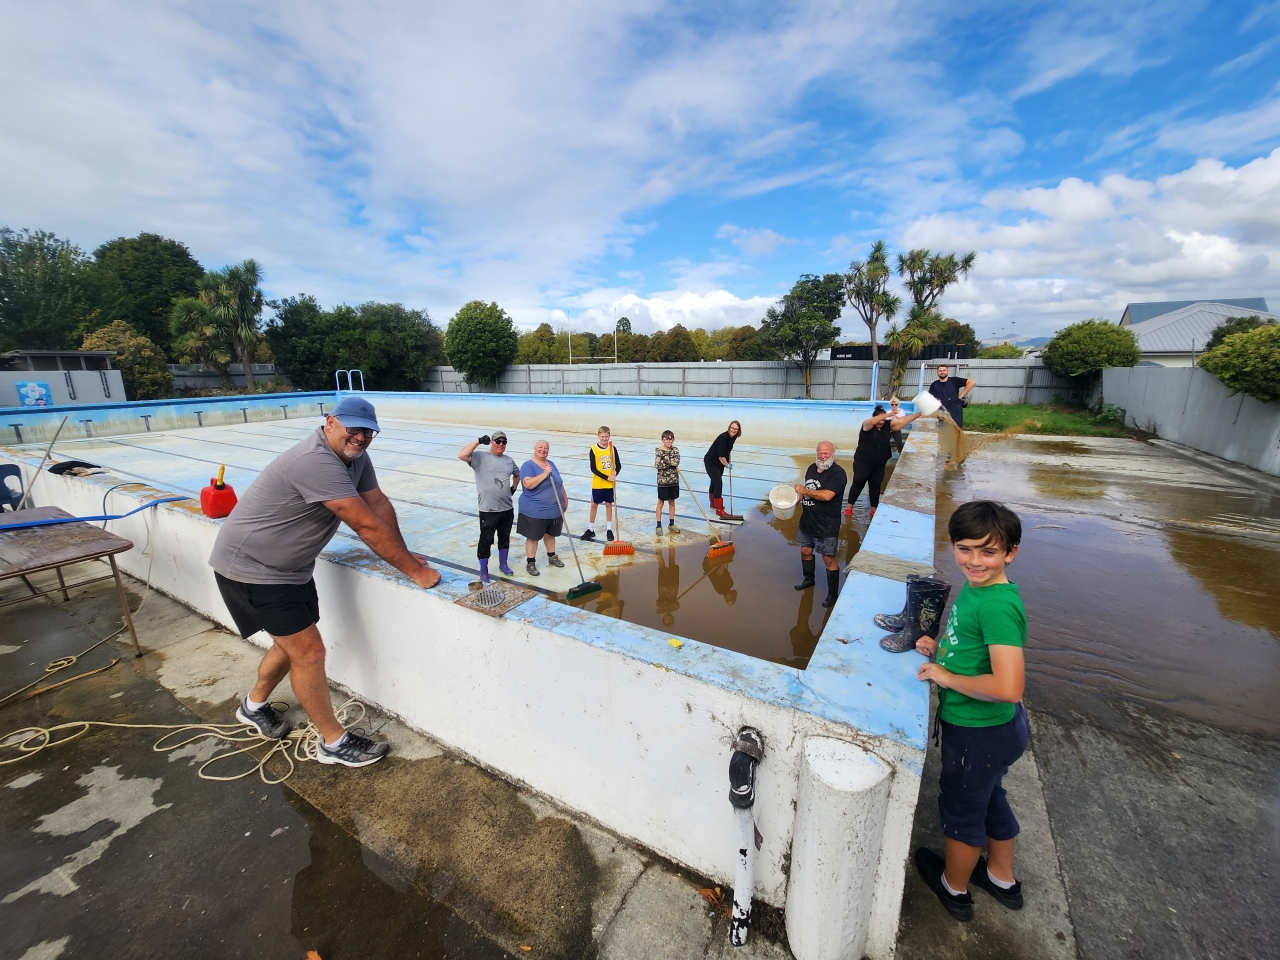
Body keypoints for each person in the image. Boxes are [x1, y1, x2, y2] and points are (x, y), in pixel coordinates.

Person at [210, 395, 440, 768]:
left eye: (369, 432)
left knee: (291, 647)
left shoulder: (355, 457)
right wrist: (415, 572)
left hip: (290, 569)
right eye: (354, 429)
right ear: (330, 422)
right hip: (253, 568)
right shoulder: (315, 461)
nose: (362, 437)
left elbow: (378, 505)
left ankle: (252, 707)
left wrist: (409, 554)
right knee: (309, 653)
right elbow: (363, 524)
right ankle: (333, 743)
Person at [913, 500, 1029, 923]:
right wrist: (939, 647)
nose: (975, 561)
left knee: (962, 809)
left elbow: (1009, 687)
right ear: (952, 545)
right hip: (999, 733)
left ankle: (954, 888)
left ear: (1010, 552)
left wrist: (946, 677)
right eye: (965, 549)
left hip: (978, 730)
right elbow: (971, 642)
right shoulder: (980, 587)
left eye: (988, 551)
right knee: (990, 796)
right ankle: (1001, 878)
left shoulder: (997, 605)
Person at [457, 430, 520, 584]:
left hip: (507, 509)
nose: (501, 445)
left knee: (504, 538)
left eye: (504, 442)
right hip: (488, 510)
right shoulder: (480, 457)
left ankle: (503, 564)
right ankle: (483, 570)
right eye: (498, 441)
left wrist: (513, 488)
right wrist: (478, 440)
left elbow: (517, 474)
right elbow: (462, 455)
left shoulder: (509, 460)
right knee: (485, 540)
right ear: (491, 442)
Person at [793, 440, 847, 609]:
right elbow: (806, 492)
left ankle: (832, 594)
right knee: (805, 551)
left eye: (826, 453)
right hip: (807, 521)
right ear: (816, 453)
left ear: (833, 454)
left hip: (827, 524)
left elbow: (826, 496)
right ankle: (809, 579)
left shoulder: (838, 473)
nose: (823, 456)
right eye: (820, 453)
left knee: (828, 558)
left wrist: (805, 491)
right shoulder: (810, 468)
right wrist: (794, 499)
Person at [844, 404, 923, 519]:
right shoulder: (867, 426)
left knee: (876, 485)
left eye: (883, 420)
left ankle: (873, 509)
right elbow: (871, 421)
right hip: (863, 461)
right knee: (859, 482)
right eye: (880, 420)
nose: (881, 422)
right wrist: (889, 414)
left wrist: (918, 414)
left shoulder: (887, 426)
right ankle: (849, 507)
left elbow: (902, 422)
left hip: (879, 462)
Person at [517, 440, 568, 576]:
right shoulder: (528, 465)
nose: (543, 450)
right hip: (535, 510)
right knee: (533, 537)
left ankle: (552, 556)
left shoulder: (551, 464)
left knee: (551, 534)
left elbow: (559, 483)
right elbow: (527, 484)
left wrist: (564, 498)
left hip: (553, 509)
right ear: (535, 449)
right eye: (540, 447)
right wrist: (544, 474)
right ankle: (531, 562)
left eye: (546, 448)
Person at [582, 426, 620, 542]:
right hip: (598, 483)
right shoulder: (593, 449)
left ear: (609, 436)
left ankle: (609, 529)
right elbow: (593, 468)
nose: (604, 439)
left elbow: (618, 465)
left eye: (606, 436)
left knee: (609, 504)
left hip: (610, 484)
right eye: (602, 436)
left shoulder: (613, 449)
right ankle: (590, 529)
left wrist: (615, 473)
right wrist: (606, 477)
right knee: (594, 505)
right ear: (598, 436)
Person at [704, 420, 742, 520]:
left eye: (736, 429)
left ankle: (713, 503)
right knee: (718, 484)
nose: (733, 430)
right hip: (711, 462)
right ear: (729, 427)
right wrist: (727, 465)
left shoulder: (733, 438)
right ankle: (719, 510)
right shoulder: (723, 437)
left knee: (714, 482)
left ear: (738, 431)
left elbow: (726, 451)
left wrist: (728, 460)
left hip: (719, 463)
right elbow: (721, 456)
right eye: (732, 428)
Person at [654, 430, 681, 535]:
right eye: (666, 439)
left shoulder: (675, 450)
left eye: (670, 439)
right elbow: (657, 465)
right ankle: (658, 525)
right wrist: (669, 462)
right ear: (662, 440)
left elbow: (676, 462)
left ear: (673, 440)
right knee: (660, 502)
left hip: (674, 481)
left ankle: (671, 523)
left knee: (672, 502)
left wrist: (665, 461)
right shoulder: (659, 451)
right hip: (663, 482)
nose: (668, 441)